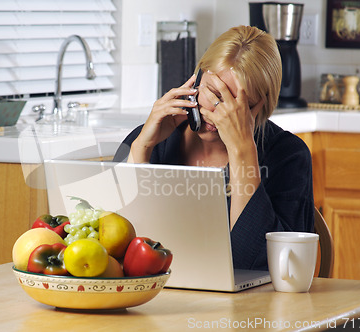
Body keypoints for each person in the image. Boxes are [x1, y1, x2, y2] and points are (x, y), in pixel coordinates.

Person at [113, 25, 314, 271]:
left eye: (238, 105)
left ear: (261, 107)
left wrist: (242, 153)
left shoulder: (289, 156)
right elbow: (111, 248)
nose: (219, 114)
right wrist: (142, 146)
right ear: (196, 78)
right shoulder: (151, 139)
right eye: (214, 93)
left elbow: (258, 265)